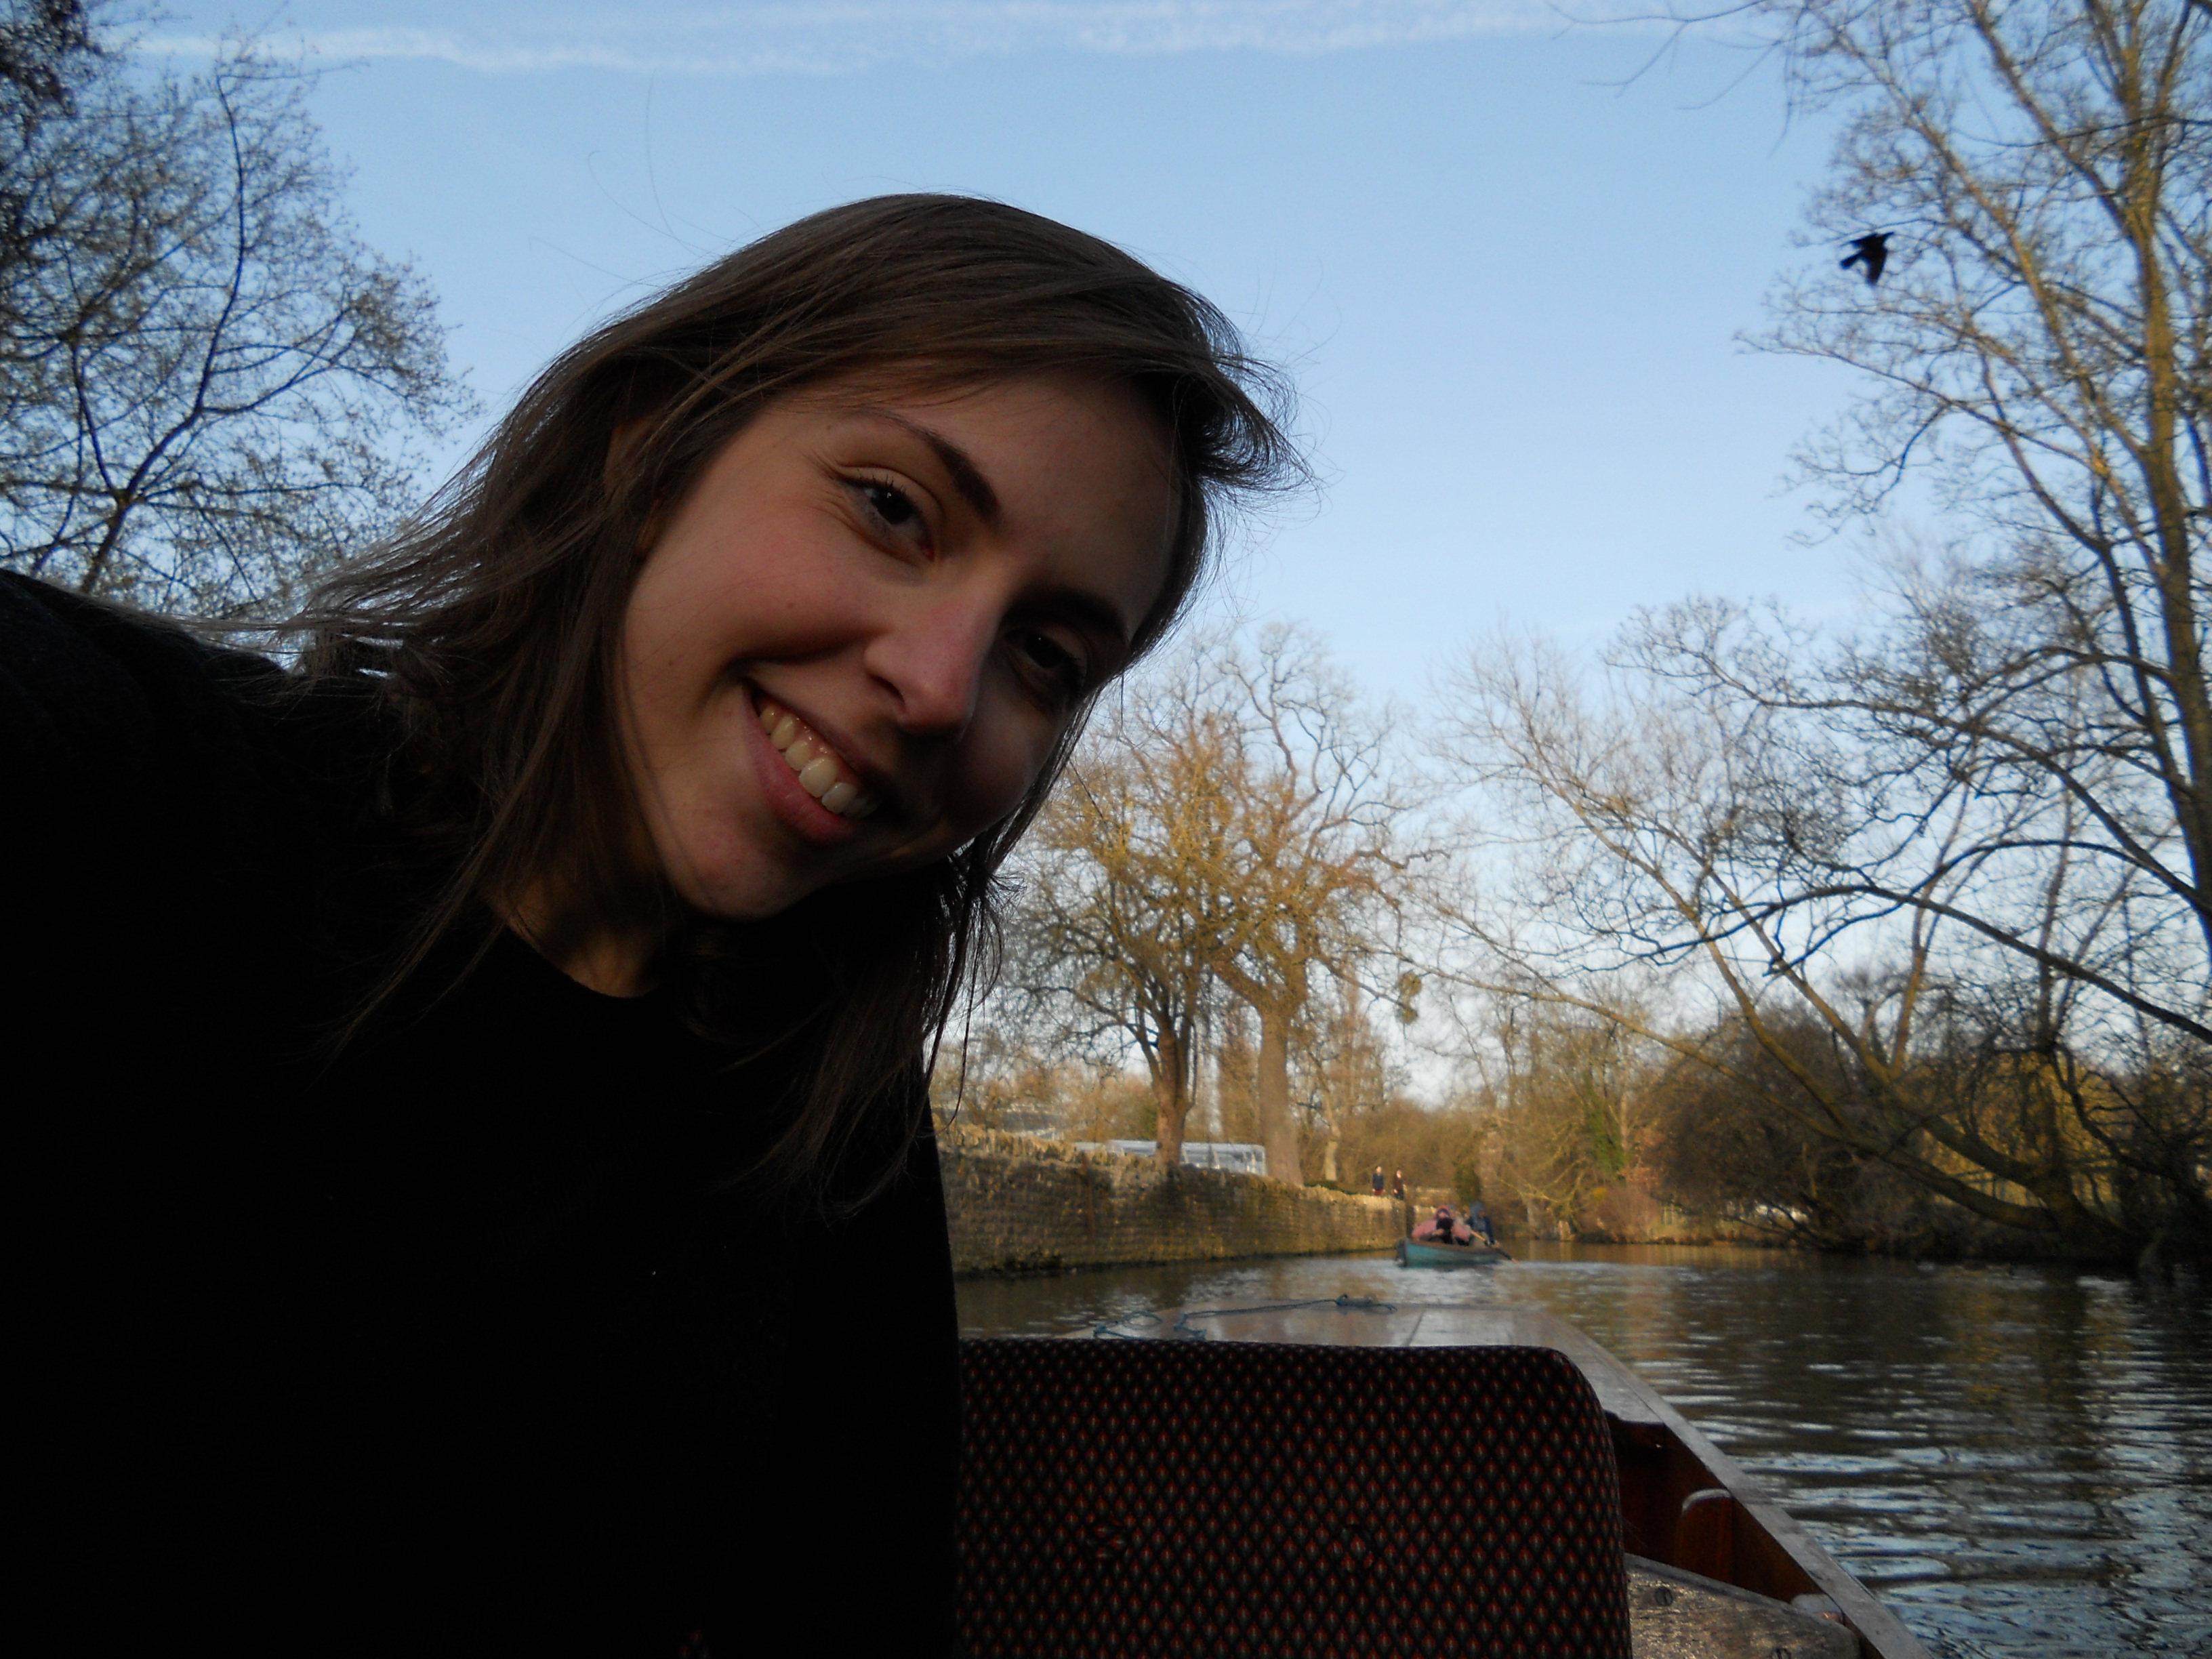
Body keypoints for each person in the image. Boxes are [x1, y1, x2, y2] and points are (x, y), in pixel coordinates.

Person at [8, 195, 1296, 1656]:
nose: (942, 687)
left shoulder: (829, 1108)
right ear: (650, 449)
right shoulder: (122, 785)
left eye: (1046, 653)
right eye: (892, 509)